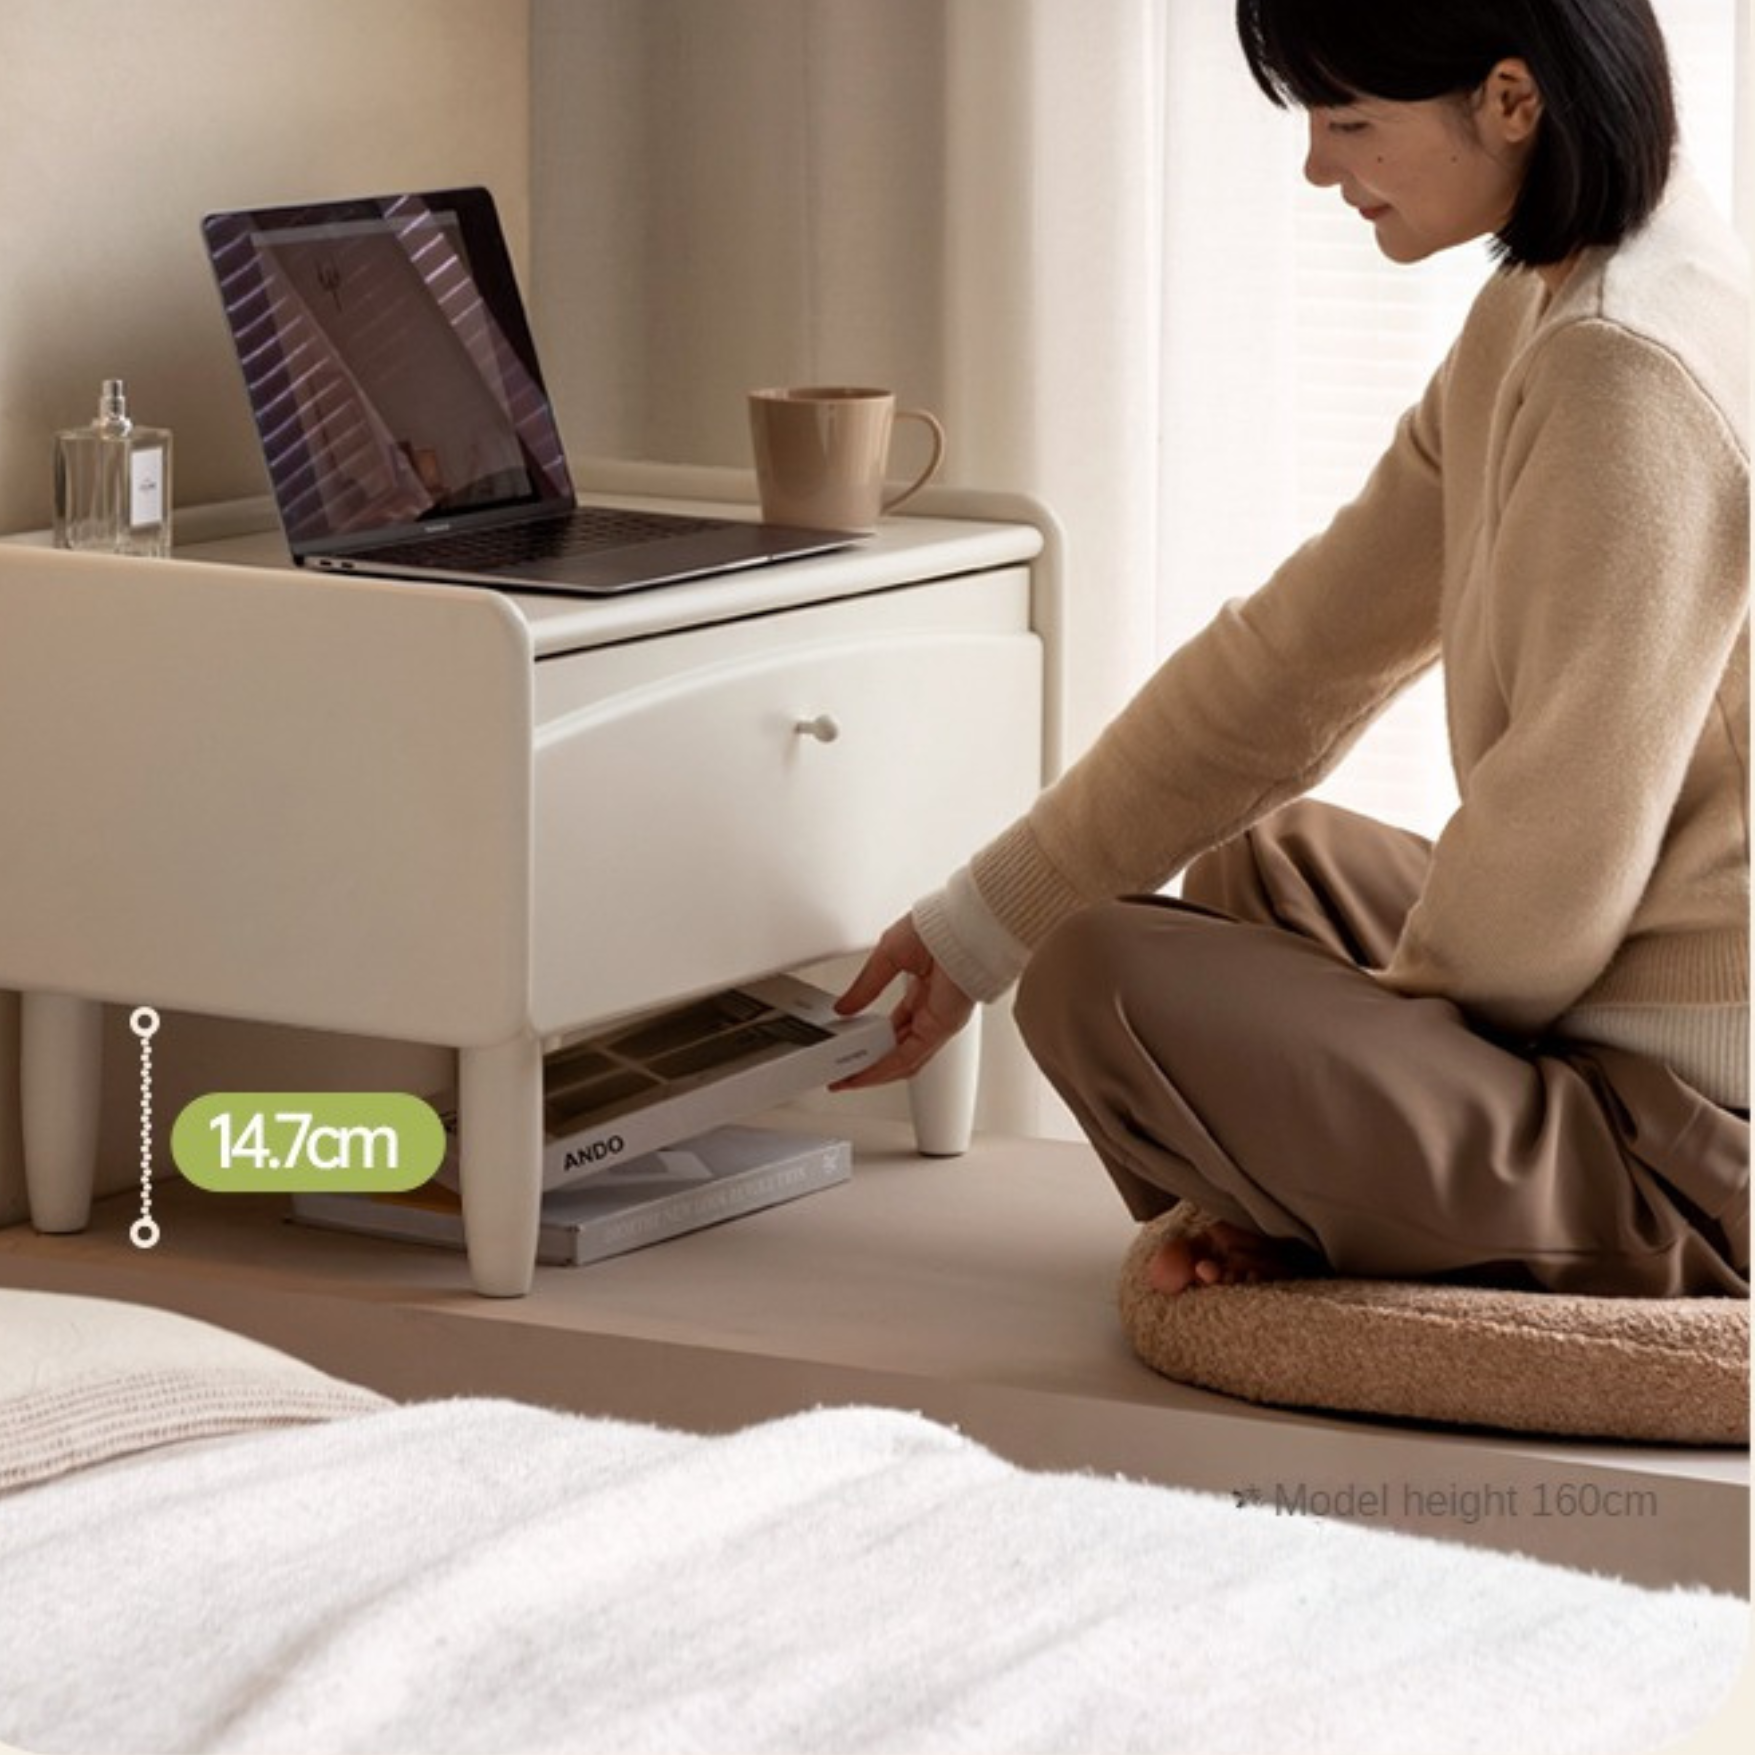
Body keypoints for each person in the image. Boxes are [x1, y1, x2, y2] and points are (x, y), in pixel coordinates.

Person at [835, 0, 1749, 1301]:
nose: (1320, 166)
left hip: (1693, 1132)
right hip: (1617, 999)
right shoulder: (1549, 307)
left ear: (1509, 101)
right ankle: (1315, 1199)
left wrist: (1336, 1064)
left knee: (1100, 980)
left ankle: (1334, 1214)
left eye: (1349, 120)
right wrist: (981, 920)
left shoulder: (1621, 367)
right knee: (1274, 862)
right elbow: (1287, 666)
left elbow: (1557, 868)